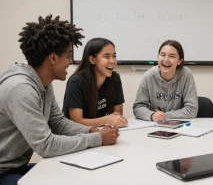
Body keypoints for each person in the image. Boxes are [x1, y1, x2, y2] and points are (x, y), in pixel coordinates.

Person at [0, 15, 118, 185]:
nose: (71, 61)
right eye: (69, 55)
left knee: (74, 177)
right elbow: (46, 145)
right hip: (3, 171)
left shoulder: (43, 85)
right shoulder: (21, 89)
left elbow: (58, 123)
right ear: (53, 58)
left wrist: (90, 131)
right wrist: (98, 138)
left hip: (18, 166)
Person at [62, 38, 127, 128]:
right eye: (106, 56)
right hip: (76, 135)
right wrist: (107, 120)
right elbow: (77, 121)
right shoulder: (76, 81)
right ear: (92, 60)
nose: (112, 61)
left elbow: (117, 116)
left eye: (114, 56)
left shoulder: (115, 78)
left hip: (100, 132)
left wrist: (119, 120)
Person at [133, 40, 198, 121]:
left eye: (172, 56)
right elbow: (138, 107)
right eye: (163, 55)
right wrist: (152, 115)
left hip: (180, 125)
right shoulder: (149, 76)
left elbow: (192, 110)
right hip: (155, 125)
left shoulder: (186, 75)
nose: (166, 60)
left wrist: (164, 115)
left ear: (179, 61)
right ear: (158, 57)